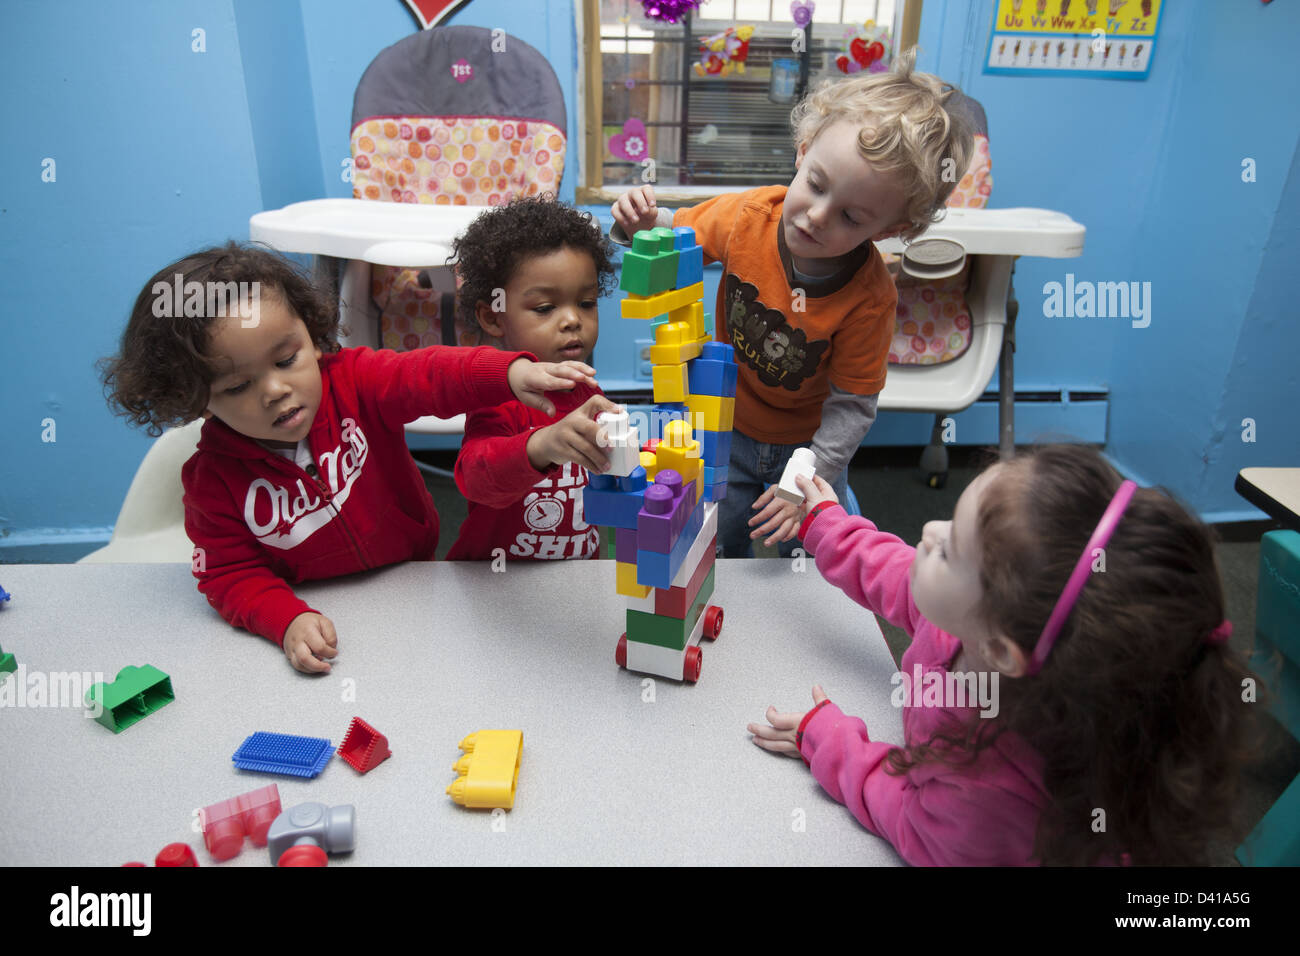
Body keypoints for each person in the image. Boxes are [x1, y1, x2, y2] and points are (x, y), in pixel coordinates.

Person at [748, 444, 1262, 865]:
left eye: (949, 550)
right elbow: (896, 575)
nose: (929, 532)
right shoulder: (991, 624)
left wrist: (830, 742)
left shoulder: (985, 792)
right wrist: (828, 526)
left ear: (999, 651)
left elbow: (912, 821)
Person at [101, 242, 593, 673]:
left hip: (413, 581)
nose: (275, 390)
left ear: (314, 338)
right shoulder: (211, 481)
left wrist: (508, 373)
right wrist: (285, 617)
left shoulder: (357, 381)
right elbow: (229, 575)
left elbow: (430, 373)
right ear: (197, 399)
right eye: (237, 386)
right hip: (322, 611)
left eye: (286, 359)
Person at [611, 49, 973, 557]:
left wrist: (810, 473)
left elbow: (853, 405)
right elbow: (672, 236)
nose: (817, 217)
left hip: (809, 446)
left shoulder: (869, 298)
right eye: (816, 185)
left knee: (816, 552)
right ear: (803, 153)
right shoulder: (749, 215)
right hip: (726, 426)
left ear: (889, 230)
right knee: (720, 535)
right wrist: (640, 224)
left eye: (851, 217)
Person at [445, 196, 623, 561]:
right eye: (545, 308)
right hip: (497, 580)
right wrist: (541, 445)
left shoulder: (587, 388)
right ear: (494, 317)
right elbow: (476, 479)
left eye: (586, 303)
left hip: (575, 573)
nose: (572, 320)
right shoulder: (497, 396)